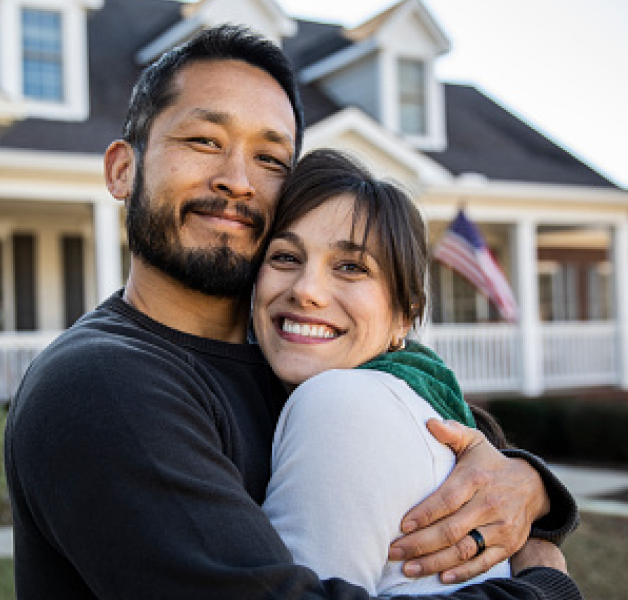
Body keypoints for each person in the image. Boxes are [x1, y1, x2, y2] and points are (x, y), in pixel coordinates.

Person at [5, 25, 579, 600]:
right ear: (122, 169)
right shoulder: (104, 385)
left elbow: (463, 446)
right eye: (204, 140)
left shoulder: (301, 356)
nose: (237, 180)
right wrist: (545, 583)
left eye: (270, 157)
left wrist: (531, 487)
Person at [254, 149, 569, 595]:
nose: (306, 290)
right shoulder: (408, 399)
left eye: (350, 267)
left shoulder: (338, 401)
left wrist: (548, 582)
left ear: (405, 316)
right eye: (286, 257)